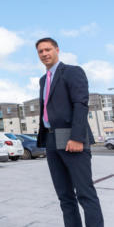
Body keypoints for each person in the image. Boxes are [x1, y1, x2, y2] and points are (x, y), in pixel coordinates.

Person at [35, 37, 104, 227]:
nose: (44, 54)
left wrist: (76, 137)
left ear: (57, 50)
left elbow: (80, 105)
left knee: (85, 194)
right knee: (65, 197)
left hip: (70, 135)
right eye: (40, 51)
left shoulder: (72, 72)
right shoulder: (43, 80)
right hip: (50, 138)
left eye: (48, 49)